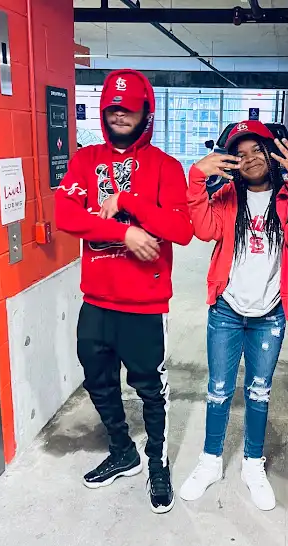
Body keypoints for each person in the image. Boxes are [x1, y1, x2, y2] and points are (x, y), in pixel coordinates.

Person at [55, 69, 193, 514]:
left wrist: (130, 202)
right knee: (97, 380)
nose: (119, 115)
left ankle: (157, 464)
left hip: (144, 305)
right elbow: (65, 214)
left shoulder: (166, 167)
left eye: (128, 108)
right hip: (96, 300)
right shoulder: (85, 160)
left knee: (151, 390)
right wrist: (125, 233)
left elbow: (181, 230)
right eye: (113, 108)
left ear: (145, 112)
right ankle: (122, 451)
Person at [181, 121, 288, 511]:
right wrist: (196, 178)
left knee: (259, 391)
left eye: (257, 149)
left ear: (271, 154)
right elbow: (203, 229)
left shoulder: (287, 197)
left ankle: (253, 464)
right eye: (240, 154)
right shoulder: (226, 197)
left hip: (269, 315)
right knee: (218, 390)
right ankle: (210, 461)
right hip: (227, 310)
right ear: (231, 162)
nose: (250, 158)